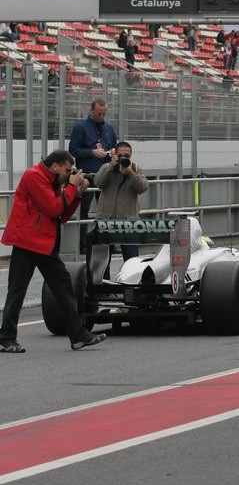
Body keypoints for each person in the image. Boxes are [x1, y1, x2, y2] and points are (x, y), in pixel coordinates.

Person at [1, 150, 107, 352]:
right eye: (67, 170)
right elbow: (53, 208)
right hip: (27, 242)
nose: (69, 175)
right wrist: (72, 187)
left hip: (45, 243)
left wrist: (77, 195)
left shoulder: (55, 182)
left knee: (64, 286)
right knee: (17, 290)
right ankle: (6, 338)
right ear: (56, 166)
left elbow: (62, 215)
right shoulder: (34, 176)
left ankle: (78, 335)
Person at [69, 99, 118, 254]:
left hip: (104, 175)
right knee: (84, 210)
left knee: (107, 210)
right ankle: (83, 243)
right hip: (87, 175)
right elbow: (73, 150)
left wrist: (112, 153)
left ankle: (107, 241)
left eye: (104, 114)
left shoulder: (109, 128)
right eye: (99, 113)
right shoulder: (80, 127)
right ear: (91, 111)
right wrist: (91, 152)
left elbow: (114, 146)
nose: (101, 116)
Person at [93, 141, 149, 263]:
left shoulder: (135, 168)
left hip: (129, 221)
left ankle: (130, 282)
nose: (124, 157)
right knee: (102, 261)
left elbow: (143, 187)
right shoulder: (106, 167)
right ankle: (103, 282)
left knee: (132, 261)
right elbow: (98, 182)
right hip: (106, 219)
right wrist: (110, 167)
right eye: (121, 155)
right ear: (114, 155)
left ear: (131, 155)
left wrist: (130, 173)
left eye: (127, 156)